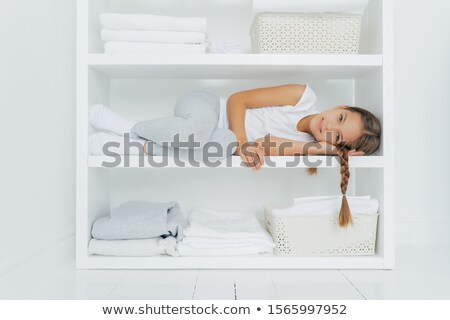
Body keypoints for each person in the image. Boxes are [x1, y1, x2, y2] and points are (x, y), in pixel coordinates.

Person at [88, 84, 381, 227]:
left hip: (222, 138)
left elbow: (265, 143)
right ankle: (128, 128)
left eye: (338, 137)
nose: (330, 126)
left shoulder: (306, 147)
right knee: (202, 136)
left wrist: (324, 149)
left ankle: (136, 146)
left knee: (218, 150)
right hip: (209, 108)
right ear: (341, 106)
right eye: (340, 118)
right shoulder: (303, 97)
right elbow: (240, 99)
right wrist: (242, 142)